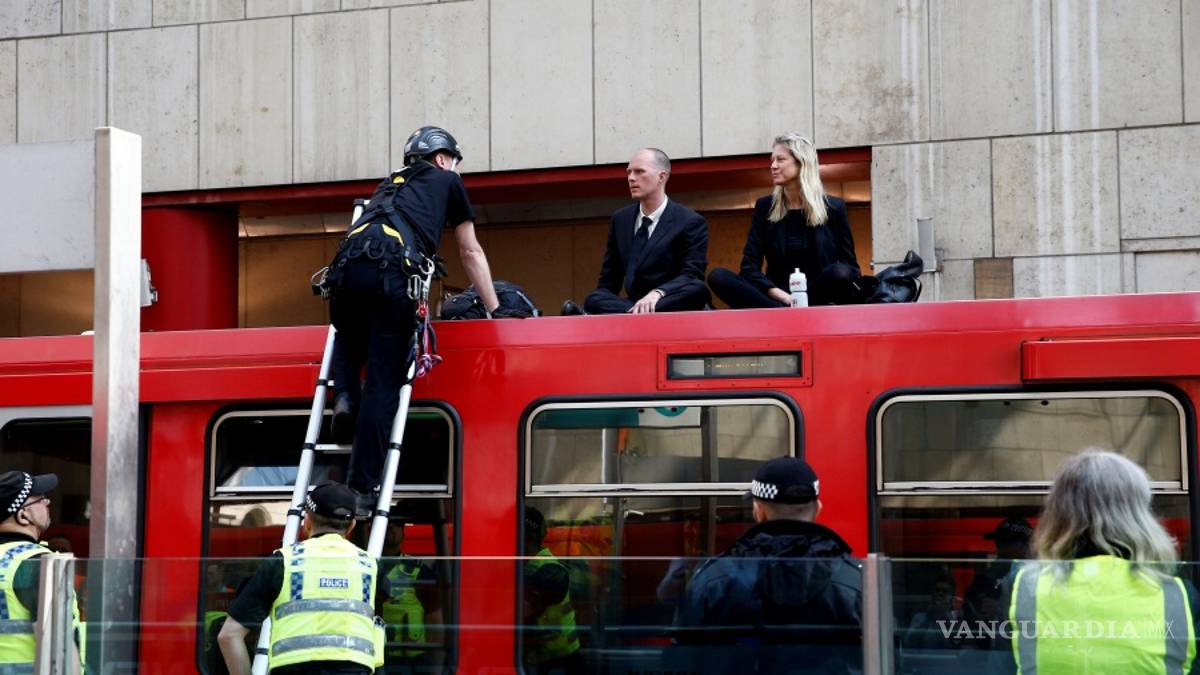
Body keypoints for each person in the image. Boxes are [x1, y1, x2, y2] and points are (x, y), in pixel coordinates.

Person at [326, 126, 503, 511]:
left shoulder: (387, 186)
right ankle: (361, 488)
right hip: (390, 277)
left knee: (349, 333)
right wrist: (495, 309)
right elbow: (470, 252)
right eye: (453, 162)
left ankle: (343, 395)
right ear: (442, 159)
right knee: (383, 381)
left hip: (343, 276)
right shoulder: (448, 182)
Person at [1010, 449, 1197, 674]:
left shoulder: (1025, 586)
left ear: (1058, 514)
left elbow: (1004, 661)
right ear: (1140, 515)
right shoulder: (1178, 593)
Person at [674, 456, 861, 674]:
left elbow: (682, 657)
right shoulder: (857, 580)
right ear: (818, 508)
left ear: (759, 511)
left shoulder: (715, 577)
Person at [218, 482, 382, 674]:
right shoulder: (370, 566)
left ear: (308, 521)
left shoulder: (284, 561)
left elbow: (229, 635)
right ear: (352, 525)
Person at [707, 133, 860, 308]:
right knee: (718, 276)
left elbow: (851, 268)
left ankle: (797, 309)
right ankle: (782, 311)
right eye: (772, 160)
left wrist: (804, 299)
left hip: (819, 298)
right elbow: (749, 268)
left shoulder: (833, 207)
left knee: (840, 272)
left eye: (780, 159)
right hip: (776, 299)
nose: (773, 166)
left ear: (802, 162)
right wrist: (784, 297)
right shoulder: (765, 207)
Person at [562, 148, 709, 315]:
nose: (631, 178)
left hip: (668, 299)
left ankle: (630, 314)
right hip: (633, 302)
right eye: (629, 172)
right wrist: (600, 302)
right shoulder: (621, 219)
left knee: (697, 290)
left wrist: (658, 293)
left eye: (639, 172)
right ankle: (635, 313)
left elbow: (691, 274)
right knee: (594, 298)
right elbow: (609, 280)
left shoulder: (689, 221)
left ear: (661, 177)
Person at [0, 470, 82, 674]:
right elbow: (59, 650)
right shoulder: (37, 565)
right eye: (40, 499)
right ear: (23, 514)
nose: (48, 503)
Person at [521, 507, 583, 674]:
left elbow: (521, 612)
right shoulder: (523, 566)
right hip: (541, 658)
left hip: (559, 661)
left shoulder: (549, 571)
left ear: (527, 537)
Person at [378, 518, 443, 674]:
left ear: (403, 531)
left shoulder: (419, 571)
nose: (391, 527)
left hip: (413, 664)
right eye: (386, 522)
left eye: (397, 523)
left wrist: (436, 667)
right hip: (373, 659)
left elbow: (435, 622)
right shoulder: (362, 566)